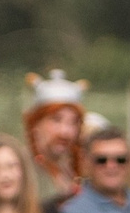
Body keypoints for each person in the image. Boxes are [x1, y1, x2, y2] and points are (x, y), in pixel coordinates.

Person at [22, 71, 89, 201]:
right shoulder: (20, 167)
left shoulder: (72, 169)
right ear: (35, 123)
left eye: (74, 122)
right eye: (56, 120)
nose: (65, 132)